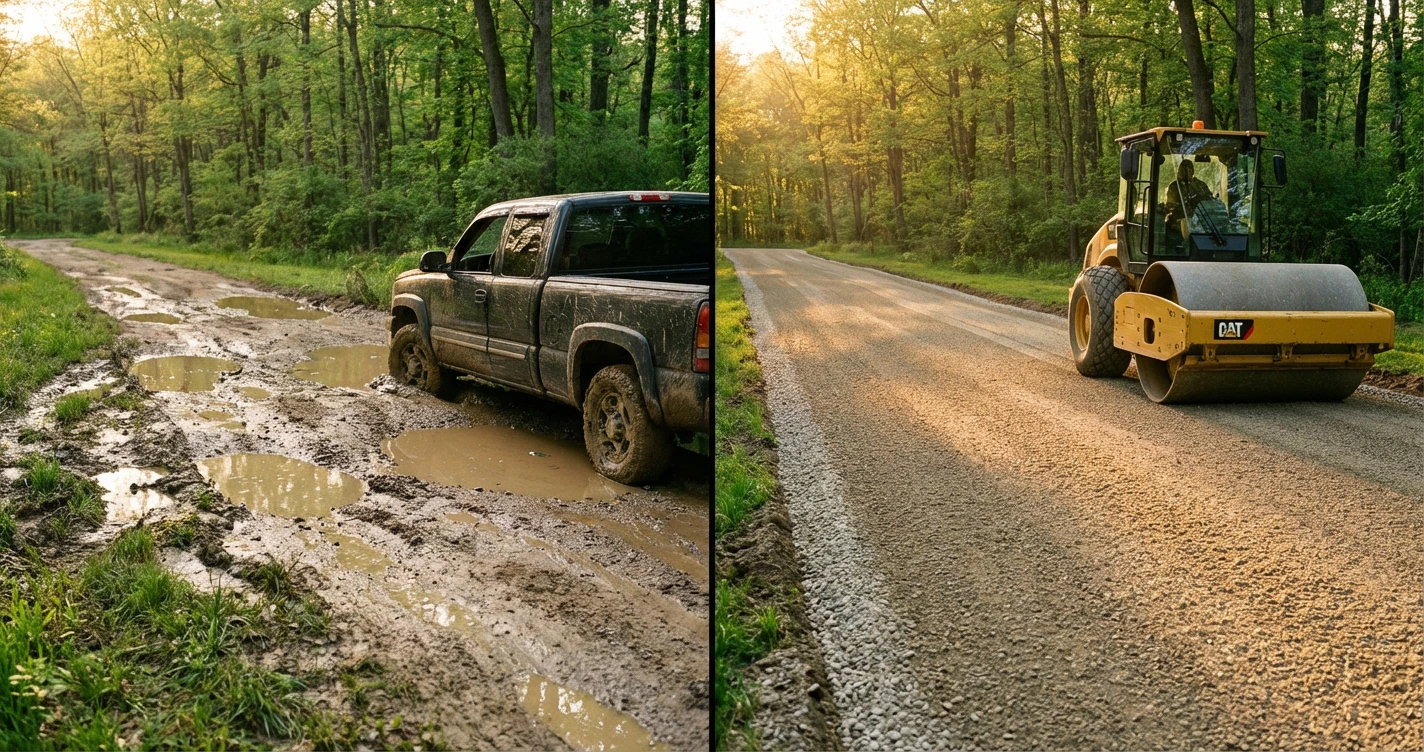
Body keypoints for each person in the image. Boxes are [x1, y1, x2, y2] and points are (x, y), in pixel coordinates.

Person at [1162, 159, 1214, 231]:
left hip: (1200, 221)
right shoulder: (1175, 186)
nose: (1186, 173)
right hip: (1179, 222)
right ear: (1179, 171)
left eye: (1189, 169)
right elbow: (1171, 205)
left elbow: (1209, 201)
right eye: (1183, 170)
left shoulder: (1200, 185)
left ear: (1193, 171)